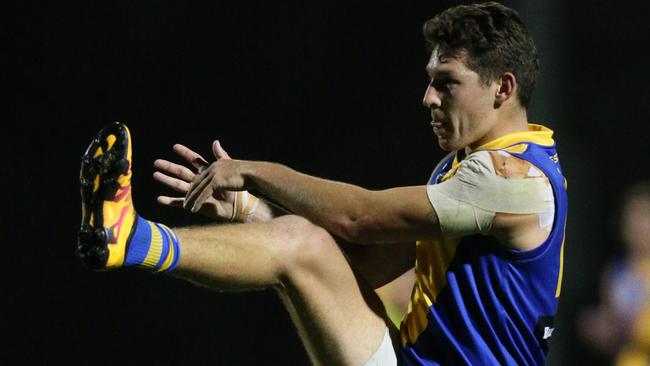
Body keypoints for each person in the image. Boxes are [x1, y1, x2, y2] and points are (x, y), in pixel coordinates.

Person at [76, 2, 567, 365]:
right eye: (429, 80)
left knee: (306, 244)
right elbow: (366, 267)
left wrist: (256, 171)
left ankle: (132, 238)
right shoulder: (469, 168)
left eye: (447, 82)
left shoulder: (513, 182)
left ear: (503, 87)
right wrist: (252, 212)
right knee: (304, 246)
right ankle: (131, 238)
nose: (427, 98)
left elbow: (359, 218)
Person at [578, 182, 650, 365]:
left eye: (645, 216)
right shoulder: (616, 272)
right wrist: (598, 328)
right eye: (632, 217)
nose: (639, 226)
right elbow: (610, 330)